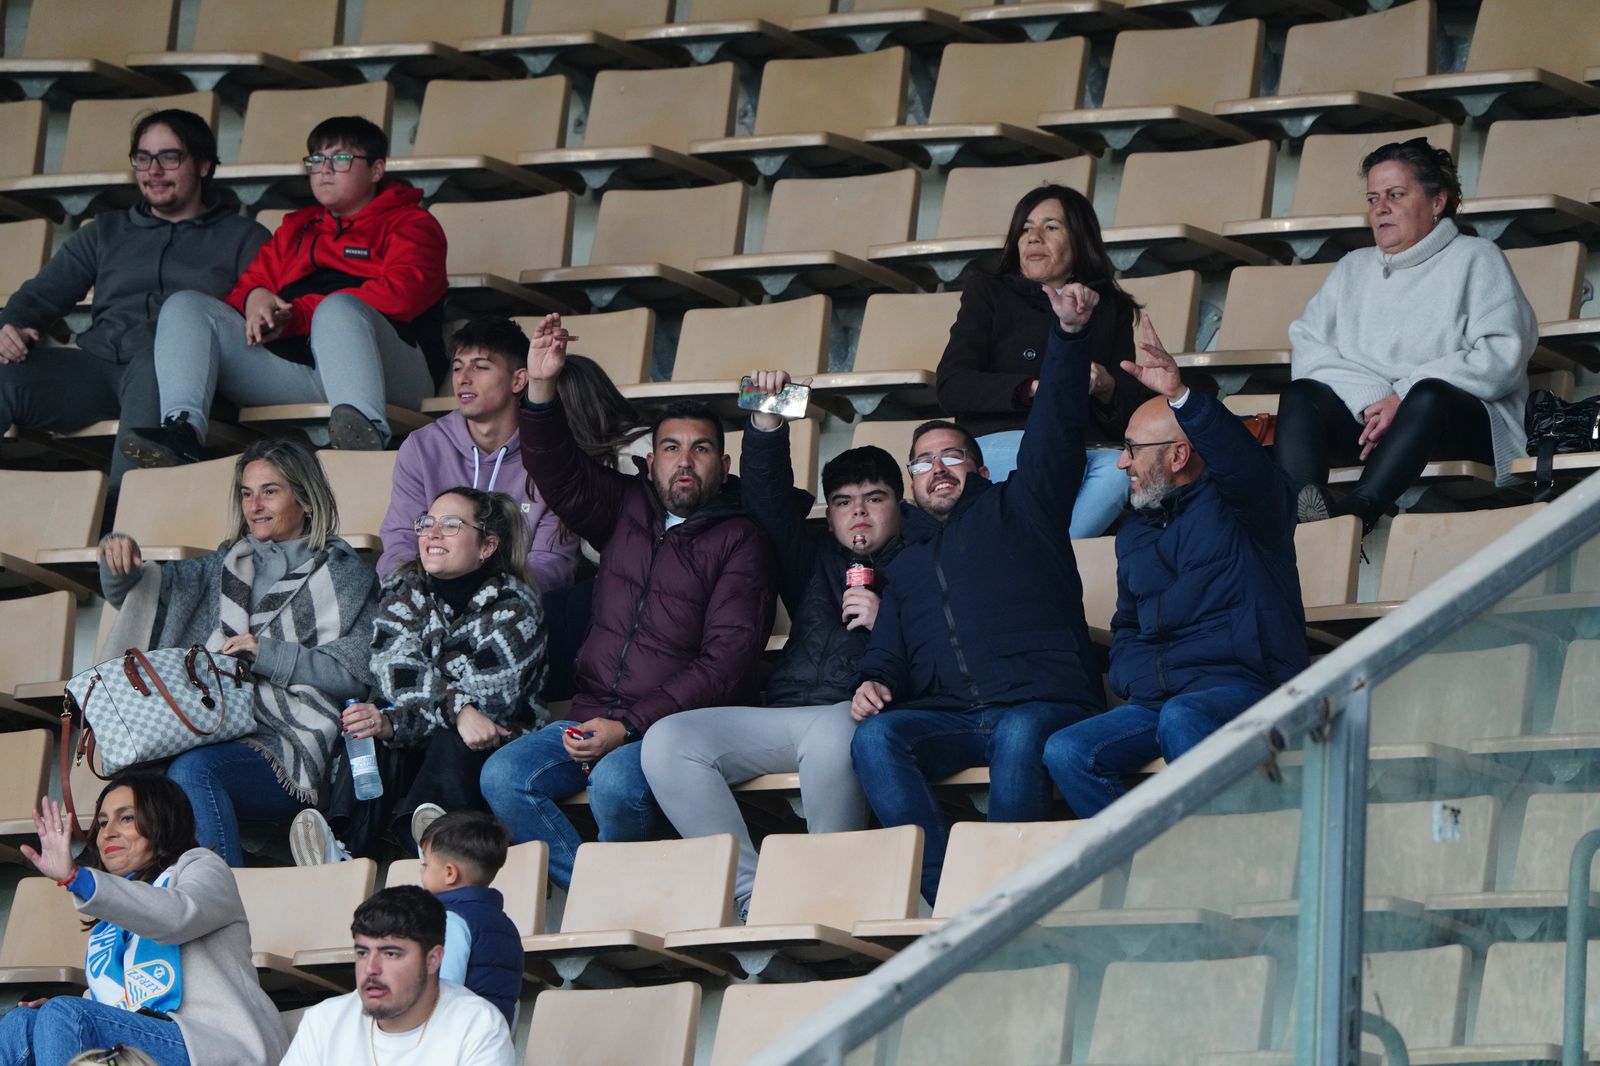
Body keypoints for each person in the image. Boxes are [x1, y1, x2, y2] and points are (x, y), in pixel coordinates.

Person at [480, 313, 777, 892]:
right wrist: (539, 388)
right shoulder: (624, 507)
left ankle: (620, 905)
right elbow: (553, 468)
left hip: (671, 729)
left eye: (700, 450)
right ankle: (603, 893)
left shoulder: (741, 539)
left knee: (616, 784)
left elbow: (726, 665)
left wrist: (629, 725)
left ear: (725, 465)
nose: (685, 461)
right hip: (591, 711)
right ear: (650, 461)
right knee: (503, 776)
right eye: (671, 448)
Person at [851, 284, 1107, 903]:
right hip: (955, 718)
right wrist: (872, 682)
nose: (936, 469)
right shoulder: (906, 566)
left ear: (983, 469)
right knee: (875, 738)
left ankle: (1006, 896)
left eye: (951, 457)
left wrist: (1067, 340)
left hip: (1044, 703)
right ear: (910, 482)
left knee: (1020, 734)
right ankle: (951, 895)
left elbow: (1055, 427)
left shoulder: (1024, 507)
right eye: (921, 462)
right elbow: (888, 652)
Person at [642, 369, 905, 915]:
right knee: (668, 740)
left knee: (837, 736)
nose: (857, 511)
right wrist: (765, 417)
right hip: (786, 713)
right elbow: (764, 499)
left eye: (874, 498)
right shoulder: (810, 559)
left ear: (899, 507)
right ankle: (753, 896)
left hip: (857, 712)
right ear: (827, 513)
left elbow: (949, 647)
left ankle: (830, 899)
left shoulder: (927, 559)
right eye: (842, 501)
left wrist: (891, 621)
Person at [1044, 319, 1308, 817]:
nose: (1122, 464)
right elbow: (1126, 626)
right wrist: (1135, 679)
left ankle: (1210, 862)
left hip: (1251, 688)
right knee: (1068, 750)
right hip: (1161, 698)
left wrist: (1183, 396)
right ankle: (1140, 867)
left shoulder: (1248, 509)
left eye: (1132, 449)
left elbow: (1245, 465)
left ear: (1180, 453)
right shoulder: (1134, 533)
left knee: (1184, 717)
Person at [97, 437, 380, 866]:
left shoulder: (346, 575)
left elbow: (357, 674)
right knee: (129, 791)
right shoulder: (223, 565)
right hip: (207, 726)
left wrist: (264, 653)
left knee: (195, 771)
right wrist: (118, 565)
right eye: (247, 494)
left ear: (305, 499)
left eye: (270, 491)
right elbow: (150, 597)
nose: (255, 506)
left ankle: (220, 911)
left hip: (286, 742)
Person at [124, 115, 447, 466]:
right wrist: (255, 298)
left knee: (339, 308)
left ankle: (365, 438)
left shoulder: (413, 223)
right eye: (316, 160)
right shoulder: (297, 228)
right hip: (302, 372)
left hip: (389, 371)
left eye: (340, 159)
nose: (324, 170)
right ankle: (182, 432)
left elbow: (401, 295)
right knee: (186, 306)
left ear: (376, 169)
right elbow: (245, 288)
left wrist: (300, 314)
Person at [1278, 137, 1537, 533]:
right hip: (1370, 425)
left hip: (1454, 424)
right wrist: (1373, 403)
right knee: (1301, 396)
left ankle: (1355, 515)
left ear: (1437, 202)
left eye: (1396, 195)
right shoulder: (1352, 268)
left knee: (1428, 395)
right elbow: (1309, 347)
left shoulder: (1477, 258)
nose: (1380, 208)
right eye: (1372, 198)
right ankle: (1300, 516)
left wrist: (1403, 396)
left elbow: (1502, 356)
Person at [0, 109, 268, 486]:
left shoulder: (244, 237)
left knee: (151, 365)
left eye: (169, 157)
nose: (153, 170)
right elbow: (42, 294)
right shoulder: (106, 231)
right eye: (143, 158)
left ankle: (121, 528)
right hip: (97, 368)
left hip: (182, 382)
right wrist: (9, 327)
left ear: (204, 165)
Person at [292, 487, 547, 864]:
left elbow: (489, 705)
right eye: (426, 522)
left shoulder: (516, 609)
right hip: (427, 725)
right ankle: (340, 847)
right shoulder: (402, 589)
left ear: (487, 545)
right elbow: (393, 670)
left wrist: (426, 716)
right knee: (368, 724)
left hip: (497, 739)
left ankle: (430, 841)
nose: (432, 533)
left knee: (456, 736)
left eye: (451, 525)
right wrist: (404, 720)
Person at [0, 773, 288, 1066]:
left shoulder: (201, 868)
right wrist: (52, 1019)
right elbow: (121, 1001)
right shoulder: (110, 917)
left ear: (162, 821)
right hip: (139, 1045)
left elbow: (175, 917)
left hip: (215, 1047)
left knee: (65, 1013)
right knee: (22, 1021)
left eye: (126, 818)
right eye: (102, 823)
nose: (108, 832)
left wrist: (78, 879)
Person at [936, 183, 1150, 538]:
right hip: (1002, 444)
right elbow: (951, 386)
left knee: (1118, 472)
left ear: (1079, 240)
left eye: (1050, 227)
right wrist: (1038, 388)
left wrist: (1107, 387)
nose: (1033, 238)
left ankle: (1037, 558)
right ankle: (1044, 560)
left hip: (1081, 450)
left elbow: (1128, 419)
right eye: (1025, 229)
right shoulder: (989, 293)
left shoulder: (1109, 307)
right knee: (1059, 457)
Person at [377, 316, 579, 590]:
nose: (463, 378)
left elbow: (551, 562)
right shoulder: (422, 447)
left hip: (517, 611)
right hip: (430, 604)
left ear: (519, 379)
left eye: (480, 367)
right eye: (457, 367)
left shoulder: (551, 454)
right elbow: (400, 539)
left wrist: (489, 600)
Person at [278, 886, 514, 1065]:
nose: (371, 969)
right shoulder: (324, 1020)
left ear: (433, 960)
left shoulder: (479, 1026)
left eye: (390, 954)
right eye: (362, 952)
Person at [416, 812, 522, 1030]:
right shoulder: (506, 924)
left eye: (426, 864)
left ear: (449, 873)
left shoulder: (448, 921)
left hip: (454, 1043)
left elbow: (441, 990)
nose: (422, 870)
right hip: (490, 1044)